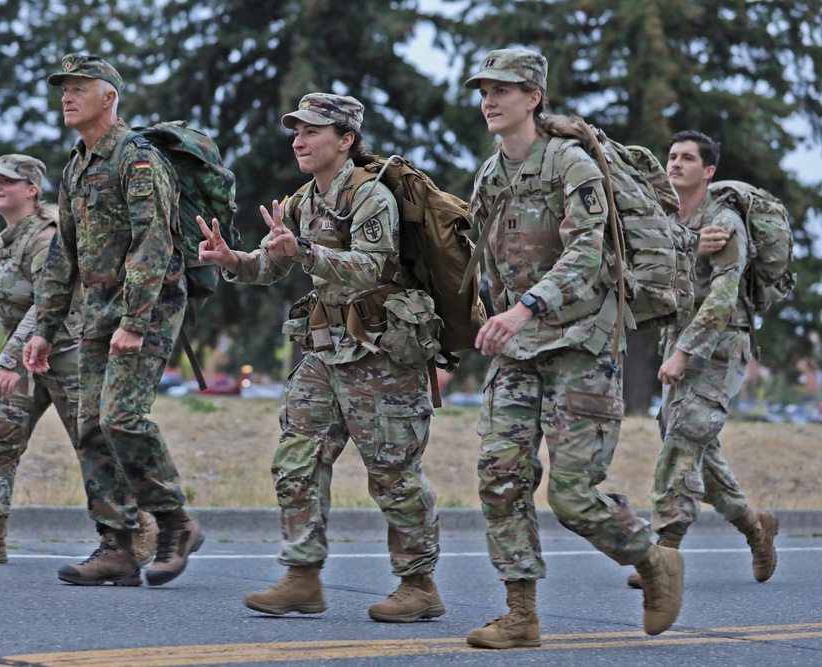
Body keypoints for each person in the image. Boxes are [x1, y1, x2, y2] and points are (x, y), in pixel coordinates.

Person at [462, 48, 684, 649]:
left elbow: (590, 254)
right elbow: (481, 262)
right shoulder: (491, 175)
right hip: (517, 349)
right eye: (483, 90)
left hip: (581, 343)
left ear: (533, 97)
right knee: (500, 474)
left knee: (571, 495)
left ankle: (653, 559)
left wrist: (525, 306)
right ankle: (520, 615)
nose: (489, 100)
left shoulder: (571, 165)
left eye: (502, 90)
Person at [196, 93, 445, 623]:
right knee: (297, 458)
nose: (299, 140)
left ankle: (419, 584)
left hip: (381, 353)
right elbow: (270, 262)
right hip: (324, 351)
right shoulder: (302, 201)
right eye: (296, 131)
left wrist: (305, 253)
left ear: (346, 139)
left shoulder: (372, 197)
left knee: (393, 473)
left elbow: (372, 269)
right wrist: (231, 260)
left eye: (311, 131)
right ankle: (302, 576)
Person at [23, 54, 202, 587]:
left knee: (122, 418)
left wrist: (135, 321)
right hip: (98, 312)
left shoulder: (137, 159)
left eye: (80, 88)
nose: (67, 97)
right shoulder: (76, 166)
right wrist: (44, 328)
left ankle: (175, 524)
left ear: (110, 97)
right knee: (91, 428)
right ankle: (118, 545)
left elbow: (155, 243)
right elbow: (64, 257)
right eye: (63, 89)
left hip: (147, 308)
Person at [0, 154, 158, 565]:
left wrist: (10, 361)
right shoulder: (3, 240)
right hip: (27, 355)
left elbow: (46, 304)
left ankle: (142, 525)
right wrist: (16, 356)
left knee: (94, 446)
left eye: (7, 181)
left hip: (66, 355)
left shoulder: (46, 237)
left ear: (31, 189)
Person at [623, 130, 778, 589]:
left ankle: (664, 552)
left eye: (687, 158)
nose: (675, 164)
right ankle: (756, 528)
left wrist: (684, 353)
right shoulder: (671, 220)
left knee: (683, 439)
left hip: (722, 348)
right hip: (679, 342)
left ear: (708, 171)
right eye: (672, 156)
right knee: (698, 454)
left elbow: (723, 299)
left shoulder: (724, 221)